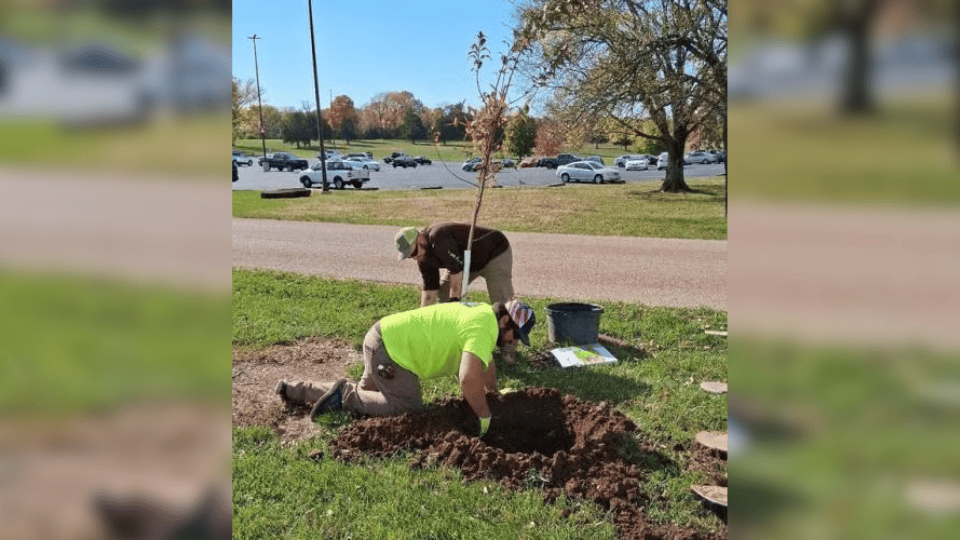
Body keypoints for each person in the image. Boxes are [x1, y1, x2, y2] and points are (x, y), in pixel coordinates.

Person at [275, 299, 536, 438]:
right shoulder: (485, 328)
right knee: (406, 407)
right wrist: (484, 415)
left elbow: (485, 364)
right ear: (504, 321)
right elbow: (468, 378)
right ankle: (344, 396)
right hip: (392, 354)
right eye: (516, 335)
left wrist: (493, 393)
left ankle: (294, 389)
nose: (514, 343)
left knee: (366, 393)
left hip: (382, 336)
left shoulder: (481, 314)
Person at [394, 222, 518, 362]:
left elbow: (456, 271)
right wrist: (421, 318)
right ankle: (454, 339)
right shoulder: (423, 257)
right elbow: (430, 289)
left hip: (494, 252)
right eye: (411, 256)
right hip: (466, 262)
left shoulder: (438, 237)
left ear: (420, 239)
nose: (415, 258)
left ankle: (508, 346)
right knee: (444, 295)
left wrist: (455, 301)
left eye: (414, 252)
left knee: (503, 303)